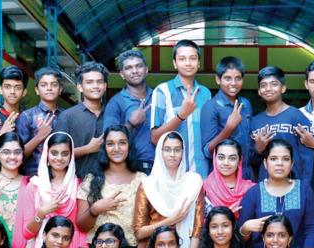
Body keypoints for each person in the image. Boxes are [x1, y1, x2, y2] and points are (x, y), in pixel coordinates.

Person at [238, 139, 314, 248]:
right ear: (265, 163)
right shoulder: (253, 193)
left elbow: (312, 228)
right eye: (273, 159)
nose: (279, 163)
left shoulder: (304, 189)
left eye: (285, 159)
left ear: (291, 164)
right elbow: (239, 238)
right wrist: (245, 228)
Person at [13, 132, 86, 248]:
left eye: (65, 153)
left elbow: (81, 231)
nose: (59, 158)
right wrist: (41, 213)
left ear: (71, 156)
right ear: (46, 155)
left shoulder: (78, 185)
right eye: (54, 153)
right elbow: (27, 233)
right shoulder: (34, 186)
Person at [77, 125, 147, 248]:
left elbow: (148, 221)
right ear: (104, 148)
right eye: (110, 144)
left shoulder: (143, 180)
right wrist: (95, 209)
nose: (116, 148)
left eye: (122, 143)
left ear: (129, 146)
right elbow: (81, 225)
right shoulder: (91, 180)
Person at [134, 131, 205, 248]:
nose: (172, 154)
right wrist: (170, 220)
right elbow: (139, 232)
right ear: (160, 152)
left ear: (183, 152)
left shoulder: (194, 182)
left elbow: (197, 228)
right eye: (167, 149)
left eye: (177, 150)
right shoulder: (148, 184)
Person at [150, 39, 212, 178]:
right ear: (174, 63)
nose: (188, 63)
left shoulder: (206, 93)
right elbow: (155, 138)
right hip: (171, 175)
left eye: (193, 58)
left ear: (199, 63)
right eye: (182, 59)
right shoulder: (162, 91)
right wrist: (181, 116)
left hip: (201, 172)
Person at [249, 66, 314, 182]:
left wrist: (305, 187)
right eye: (263, 85)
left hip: (293, 185)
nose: (268, 88)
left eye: (274, 84)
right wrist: (258, 150)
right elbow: (250, 161)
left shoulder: (296, 116)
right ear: (259, 91)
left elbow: (308, 158)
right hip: (265, 187)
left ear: (283, 88)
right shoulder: (254, 122)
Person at [200, 56, 254, 178]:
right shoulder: (210, 107)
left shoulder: (245, 104)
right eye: (227, 78)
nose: (233, 83)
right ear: (218, 79)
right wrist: (228, 129)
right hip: (223, 177)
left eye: (238, 78)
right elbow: (207, 151)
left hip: (246, 174)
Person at [103, 50, 155, 173]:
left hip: (162, 165)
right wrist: (131, 123)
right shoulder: (115, 102)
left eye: (139, 66)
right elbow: (108, 139)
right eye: (129, 68)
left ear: (146, 70)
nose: (135, 71)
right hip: (130, 167)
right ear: (122, 74)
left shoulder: (159, 96)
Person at [58, 62, 108, 179]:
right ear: (80, 87)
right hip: (76, 182)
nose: (95, 86)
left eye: (99, 82)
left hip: (109, 183)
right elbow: (56, 154)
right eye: (89, 82)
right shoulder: (67, 116)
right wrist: (87, 149)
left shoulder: (113, 114)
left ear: (105, 86)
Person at [17, 67, 64, 176]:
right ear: (37, 90)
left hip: (62, 178)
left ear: (60, 89)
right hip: (35, 177)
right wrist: (39, 136)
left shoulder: (66, 115)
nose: (49, 88)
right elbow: (19, 154)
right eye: (43, 85)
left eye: (54, 85)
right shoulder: (27, 116)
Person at [203, 138, 255, 216]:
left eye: (232, 158)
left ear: (239, 161)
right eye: (221, 158)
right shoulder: (205, 188)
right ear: (214, 159)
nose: (226, 163)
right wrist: (226, 215)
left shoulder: (251, 189)